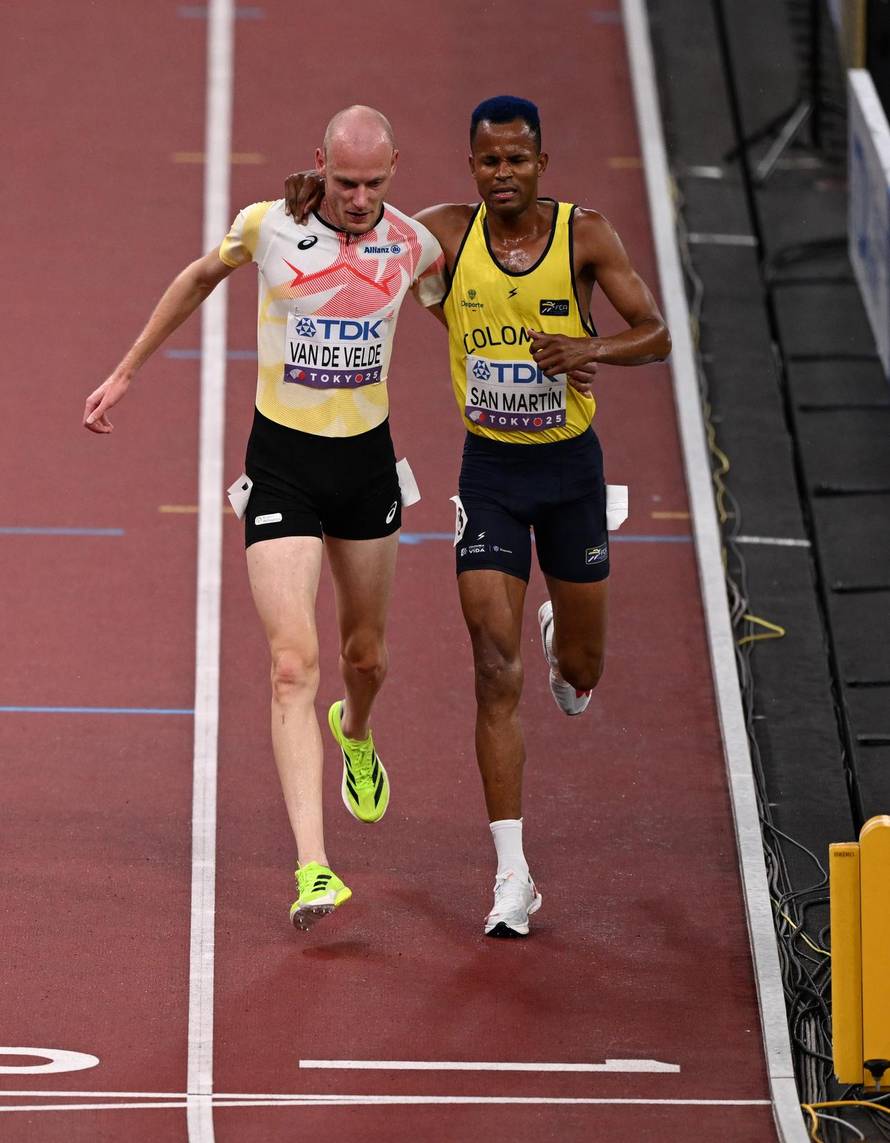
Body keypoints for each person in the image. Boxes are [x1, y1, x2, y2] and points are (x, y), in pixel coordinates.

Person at [287, 95, 671, 939]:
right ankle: (511, 873)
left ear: (542, 162)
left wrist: (589, 349)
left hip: (570, 473)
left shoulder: (586, 235)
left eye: (518, 160)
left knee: (583, 671)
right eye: (489, 162)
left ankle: (561, 643)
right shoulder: (447, 235)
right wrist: (308, 195)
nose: (504, 175)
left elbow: (655, 332)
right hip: (490, 470)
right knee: (492, 667)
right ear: (471, 167)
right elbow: (363, 229)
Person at [83, 105, 445, 930]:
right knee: (291, 663)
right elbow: (198, 277)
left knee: (367, 655)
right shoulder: (269, 227)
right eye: (344, 181)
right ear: (319, 162)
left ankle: (356, 731)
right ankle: (314, 867)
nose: (358, 198)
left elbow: (454, 311)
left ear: (396, 172)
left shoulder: (414, 242)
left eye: (374, 184)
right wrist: (127, 371)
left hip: (367, 469)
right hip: (281, 465)